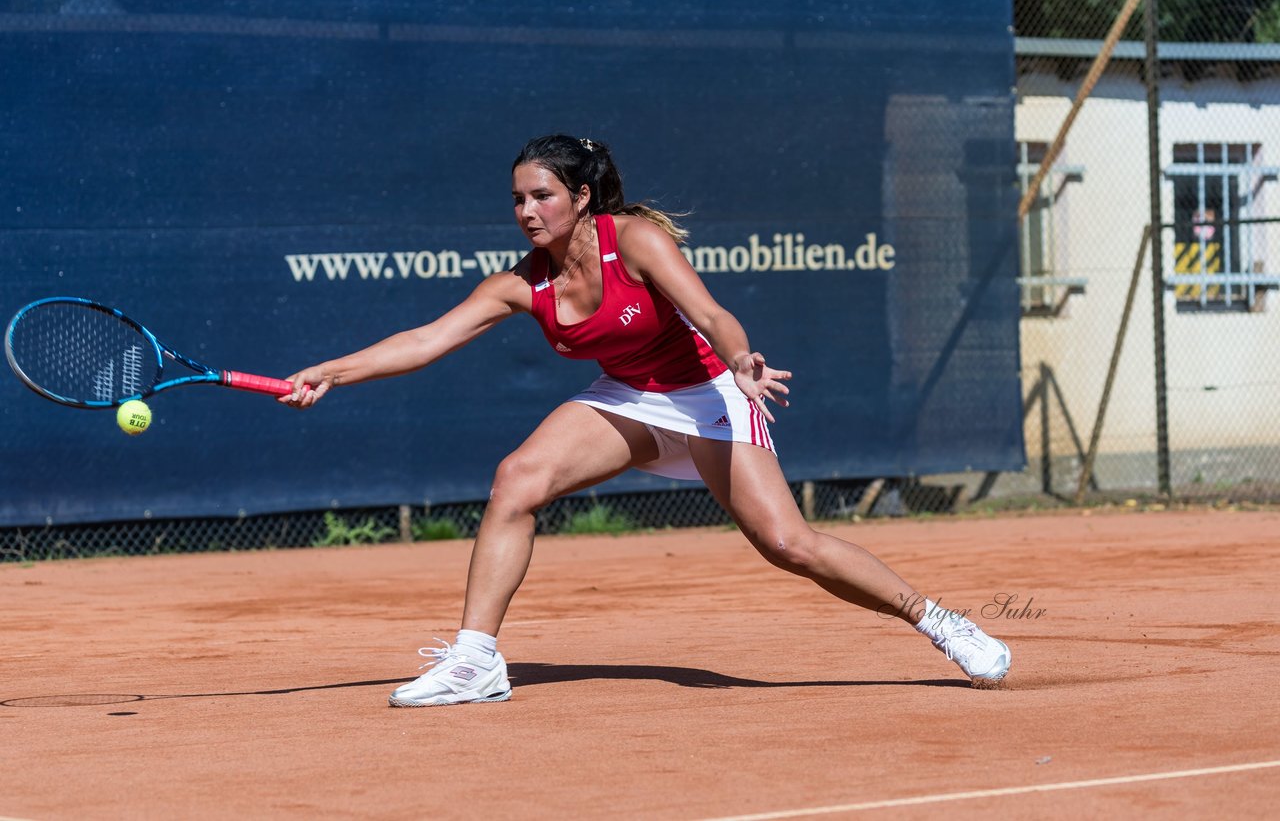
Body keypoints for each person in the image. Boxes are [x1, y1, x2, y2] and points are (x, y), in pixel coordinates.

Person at [282, 134, 1012, 707]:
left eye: (541, 196)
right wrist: (328, 371)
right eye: (516, 200)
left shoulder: (632, 239)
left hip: (709, 392)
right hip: (628, 397)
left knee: (788, 544)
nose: (527, 211)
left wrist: (742, 360)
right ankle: (475, 660)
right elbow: (425, 340)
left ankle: (937, 621)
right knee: (518, 480)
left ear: (581, 195)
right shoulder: (520, 284)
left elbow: (709, 312)